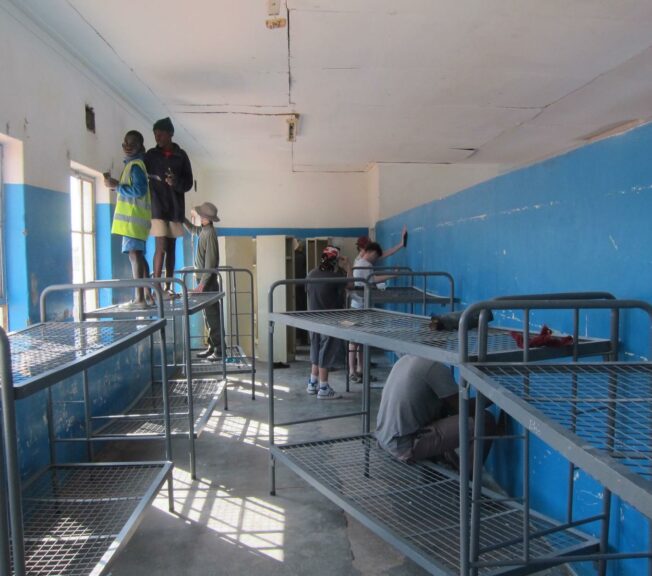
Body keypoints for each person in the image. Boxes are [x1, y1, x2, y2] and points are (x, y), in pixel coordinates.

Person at [376, 355, 496, 470]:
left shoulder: (406, 359)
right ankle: (467, 482)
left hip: (384, 437)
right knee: (485, 420)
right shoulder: (433, 367)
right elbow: (463, 408)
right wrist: (493, 396)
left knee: (443, 411)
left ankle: (452, 462)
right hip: (403, 445)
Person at [145, 117, 194, 298]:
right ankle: (156, 287)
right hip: (157, 207)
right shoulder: (151, 156)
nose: (157, 137)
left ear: (170, 134)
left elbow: (188, 183)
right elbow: (143, 175)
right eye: (155, 134)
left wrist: (175, 183)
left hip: (174, 208)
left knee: (172, 247)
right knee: (161, 245)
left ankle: (168, 287)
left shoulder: (181, 156)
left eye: (161, 133)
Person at [105, 130, 152, 309]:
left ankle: (139, 298)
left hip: (133, 220)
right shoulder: (132, 166)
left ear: (139, 146)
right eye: (125, 143)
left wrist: (118, 186)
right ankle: (147, 295)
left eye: (132, 143)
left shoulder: (135, 166)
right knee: (138, 256)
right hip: (134, 222)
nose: (127, 146)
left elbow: (139, 191)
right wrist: (118, 187)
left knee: (135, 256)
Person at [348, 235, 405, 382]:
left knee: (358, 340)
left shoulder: (359, 261)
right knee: (356, 340)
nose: (376, 260)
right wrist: (393, 275)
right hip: (362, 306)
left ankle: (358, 370)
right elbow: (373, 280)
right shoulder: (365, 264)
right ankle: (354, 371)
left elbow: (382, 257)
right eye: (375, 257)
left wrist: (400, 244)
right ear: (370, 252)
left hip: (357, 305)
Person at [306, 246, 351, 399]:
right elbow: (351, 285)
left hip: (313, 318)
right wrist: (348, 267)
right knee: (326, 351)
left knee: (316, 349)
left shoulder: (311, 273)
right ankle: (323, 387)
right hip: (329, 318)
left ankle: (312, 384)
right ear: (335, 260)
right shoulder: (336, 276)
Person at [183, 202, 222, 361]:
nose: (199, 217)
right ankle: (212, 346)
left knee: (213, 317)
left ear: (205, 218)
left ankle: (219, 350)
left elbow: (210, 262)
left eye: (200, 215)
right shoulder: (204, 230)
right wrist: (183, 219)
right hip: (204, 279)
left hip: (208, 281)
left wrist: (202, 284)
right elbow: (193, 230)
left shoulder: (210, 233)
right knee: (208, 316)